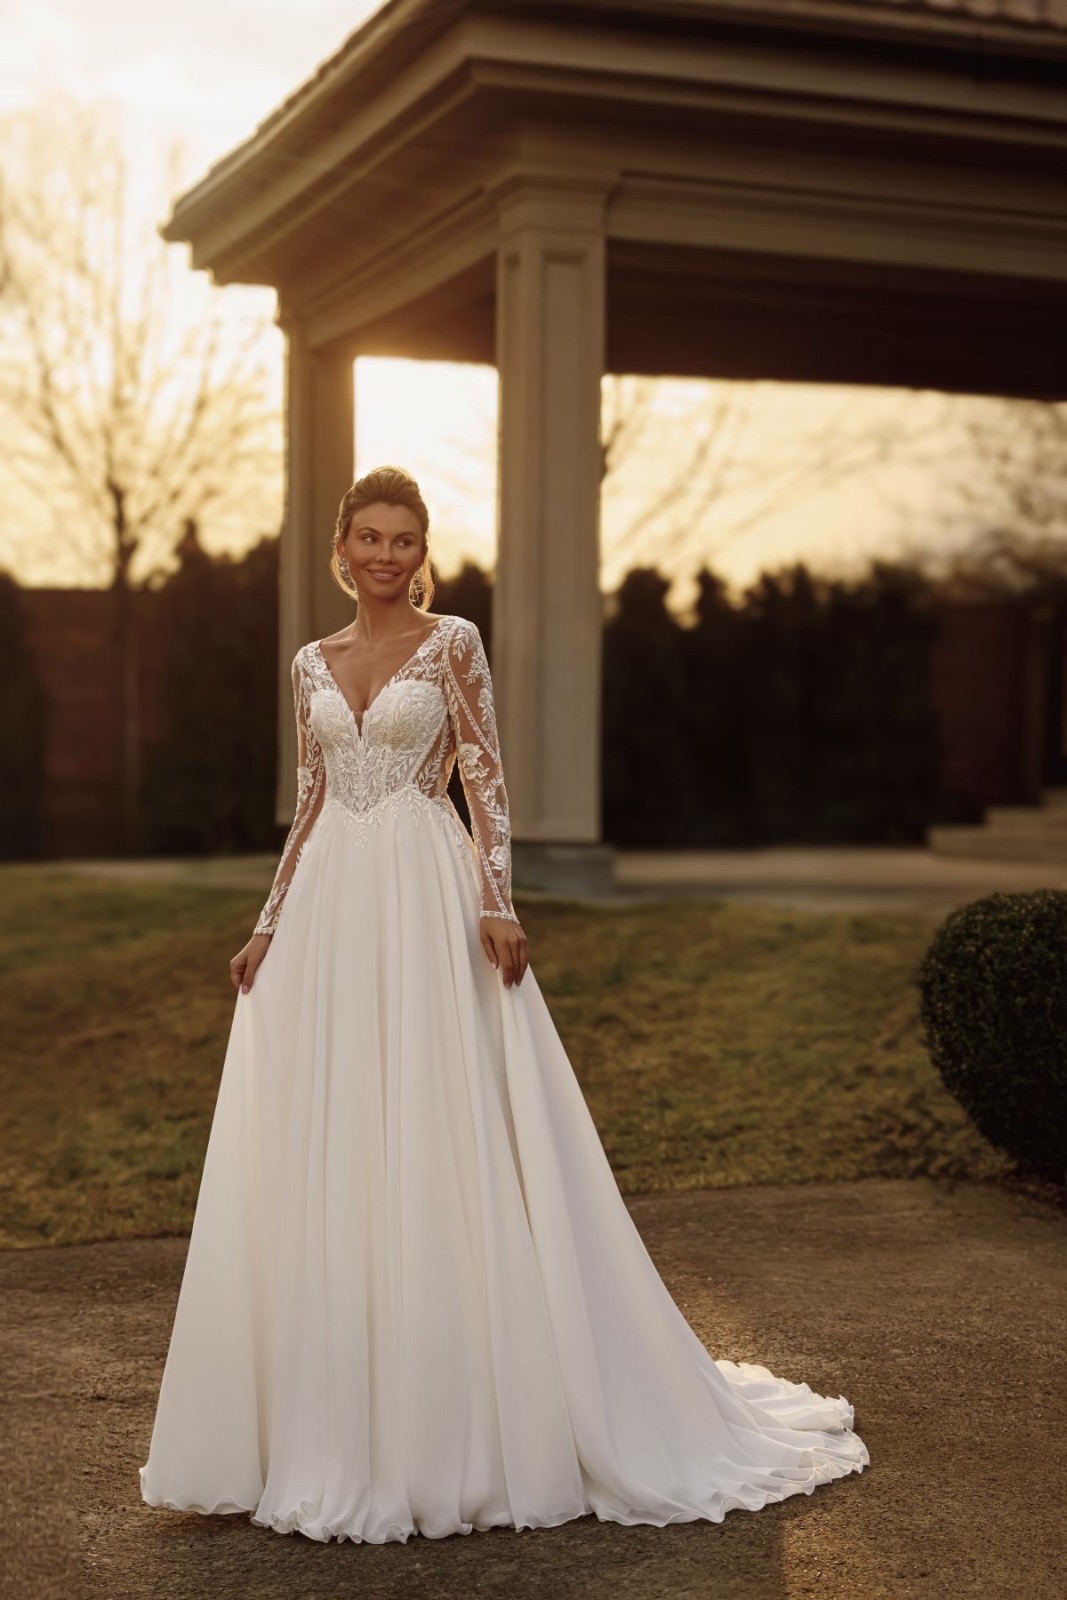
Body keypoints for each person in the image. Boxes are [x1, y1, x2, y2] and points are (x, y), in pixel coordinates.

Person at [139, 465, 868, 1544]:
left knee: (443, 1115)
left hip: (426, 894)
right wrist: (267, 924)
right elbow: (310, 801)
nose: (386, 555)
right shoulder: (309, 663)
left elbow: (483, 781)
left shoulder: (454, 643)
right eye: (369, 538)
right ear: (340, 549)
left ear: (420, 552)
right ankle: (331, 1401)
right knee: (336, 1126)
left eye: (404, 539)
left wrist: (496, 900)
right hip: (333, 903)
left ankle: (466, 1395)